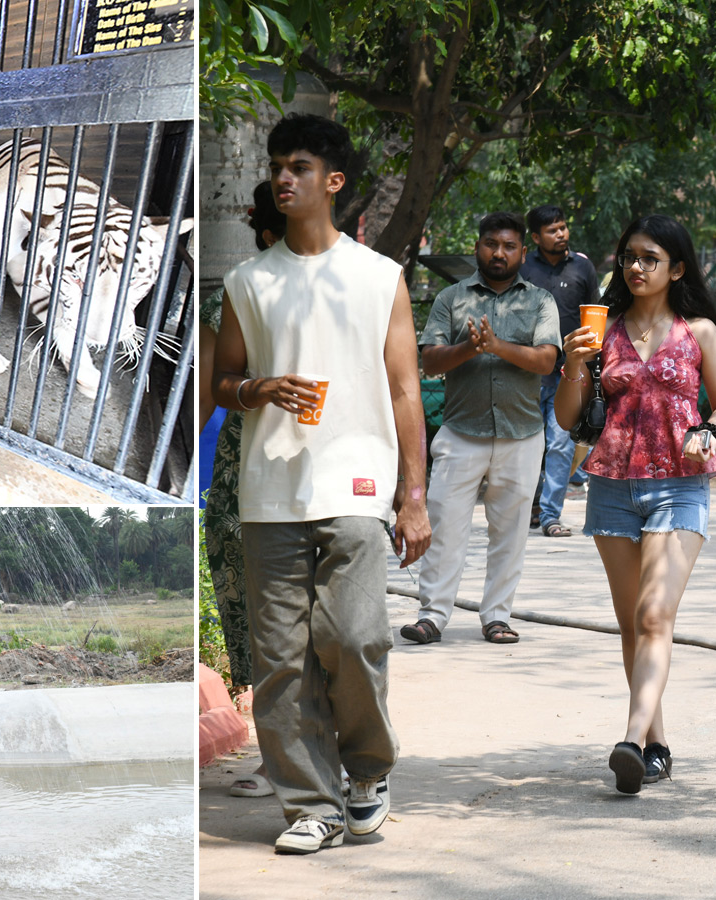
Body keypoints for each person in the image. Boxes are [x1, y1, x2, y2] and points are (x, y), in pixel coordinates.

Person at [212, 112, 431, 854]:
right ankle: (311, 804)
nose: (283, 177)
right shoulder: (248, 281)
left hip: (359, 484)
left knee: (356, 634)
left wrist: (414, 495)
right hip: (270, 492)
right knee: (279, 661)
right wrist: (260, 389)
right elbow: (222, 382)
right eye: (278, 166)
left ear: (332, 182)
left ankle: (367, 771)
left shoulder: (380, 278)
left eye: (299, 167)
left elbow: (405, 392)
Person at [555, 214, 716, 794]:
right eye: (629, 256)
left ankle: (628, 740)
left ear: (676, 269)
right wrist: (575, 362)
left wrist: (711, 432)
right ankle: (656, 746)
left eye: (650, 258)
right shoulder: (603, 329)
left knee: (655, 616)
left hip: (680, 484)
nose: (636, 266)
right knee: (633, 624)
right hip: (611, 487)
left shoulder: (699, 332)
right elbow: (568, 418)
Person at [401, 212, 560, 646]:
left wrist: (495, 346)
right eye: (491, 243)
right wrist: (469, 348)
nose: (499, 252)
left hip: (522, 434)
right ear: (478, 247)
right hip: (460, 432)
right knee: (444, 527)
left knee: (508, 533)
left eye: (509, 246)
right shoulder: (451, 299)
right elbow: (429, 361)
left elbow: (547, 360)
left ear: (523, 252)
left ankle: (497, 617)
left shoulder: (541, 301)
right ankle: (431, 616)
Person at [199, 181, 285, 799]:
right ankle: (280, 755)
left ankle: (312, 752)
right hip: (241, 470)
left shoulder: (351, 290)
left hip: (317, 472)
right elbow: (208, 392)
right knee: (252, 613)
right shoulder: (239, 293)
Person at [520, 205, 599, 537]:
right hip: (527, 372)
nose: (562, 234)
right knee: (526, 443)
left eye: (563, 228)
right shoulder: (522, 269)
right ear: (536, 237)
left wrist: (594, 367)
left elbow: (595, 317)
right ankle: (530, 508)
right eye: (553, 230)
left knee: (560, 444)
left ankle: (551, 514)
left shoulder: (582, 266)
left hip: (570, 372)